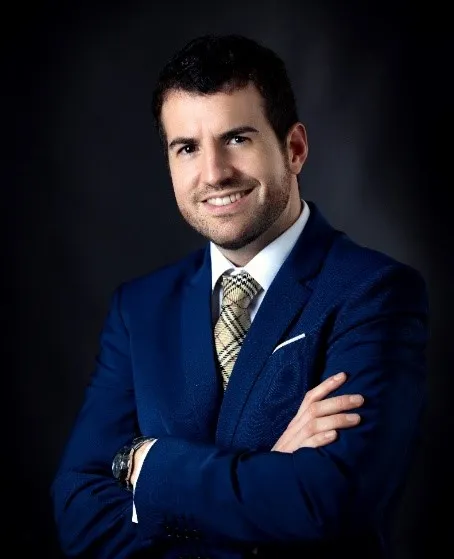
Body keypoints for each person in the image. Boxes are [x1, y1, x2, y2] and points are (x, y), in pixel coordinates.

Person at [50, 34, 429, 559]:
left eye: (236, 139)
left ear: (294, 149)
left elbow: (328, 501)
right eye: (187, 148)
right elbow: (79, 517)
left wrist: (145, 464)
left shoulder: (374, 293)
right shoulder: (139, 309)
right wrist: (268, 474)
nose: (213, 173)